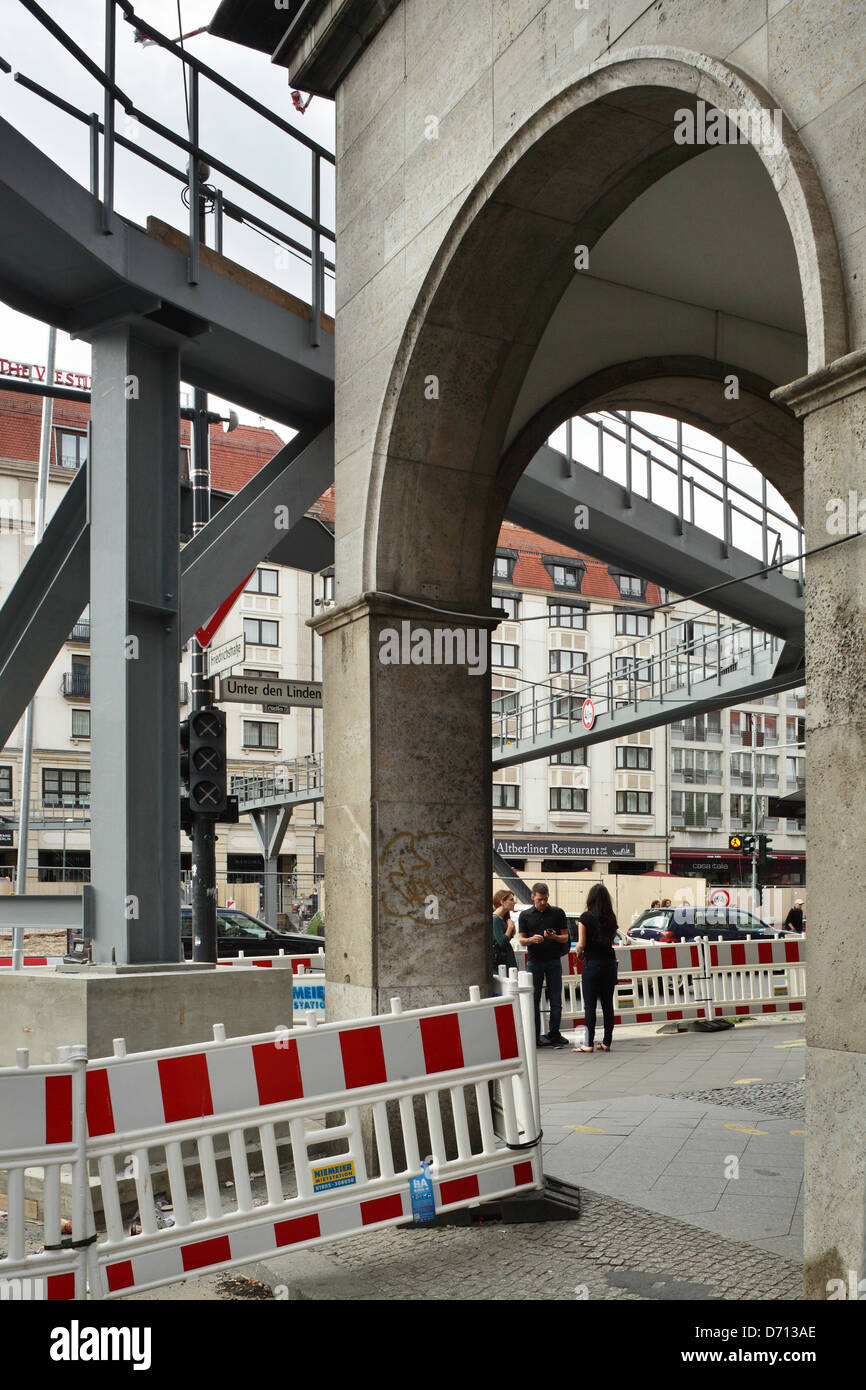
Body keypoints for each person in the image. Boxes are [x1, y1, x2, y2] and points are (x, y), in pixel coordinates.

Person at [518, 882, 570, 1048]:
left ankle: (554, 1034)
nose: (543, 902)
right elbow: (521, 940)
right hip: (534, 961)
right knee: (533, 999)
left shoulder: (557, 913)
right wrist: (532, 940)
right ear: (533, 897)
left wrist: (553, 937)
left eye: (546, 899)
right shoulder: (525, 915)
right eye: (540, 899)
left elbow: (565, 937)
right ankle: (535, 1036)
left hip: (553, 960)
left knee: (555, 999)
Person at [573, 883, 619, 1053]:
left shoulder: (585, 918)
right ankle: (607, 1042)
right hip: (609, 963)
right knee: (608, 1004)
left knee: (590, 1006)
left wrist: (578, 952)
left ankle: (588, 1043)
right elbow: (611, 939)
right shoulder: (611, 918)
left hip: (592, 964)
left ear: (590, 898)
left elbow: (581, 945)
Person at [492, 889, 518, 972]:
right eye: (511, 900)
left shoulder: (503, 918)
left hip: (506, 961)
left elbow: (505, 940)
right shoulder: (495, 919)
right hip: (501, 964)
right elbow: (502, 943)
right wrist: (510, 928)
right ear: (502, 902)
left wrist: (511, 931)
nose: (514, 902)